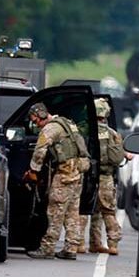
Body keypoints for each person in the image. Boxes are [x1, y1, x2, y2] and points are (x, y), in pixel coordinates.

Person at [24, 103, 90, 260]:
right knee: (72, 211)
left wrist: (34, 171)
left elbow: (39, 151)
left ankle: (47, 248)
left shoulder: (50, 128)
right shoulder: (67, 123)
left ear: (41, 115)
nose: (36, 125)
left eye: (36, 121)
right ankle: (71, 248)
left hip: (65, 172)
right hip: (78, 170)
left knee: (55, 210)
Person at [78, 98, 124, 255]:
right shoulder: (113, 134)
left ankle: (79, 244)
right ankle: (111, 244)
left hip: (87, 176)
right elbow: (118, 158)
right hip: (106, 178)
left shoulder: (84, 130)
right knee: (107, 211)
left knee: (83, 208)